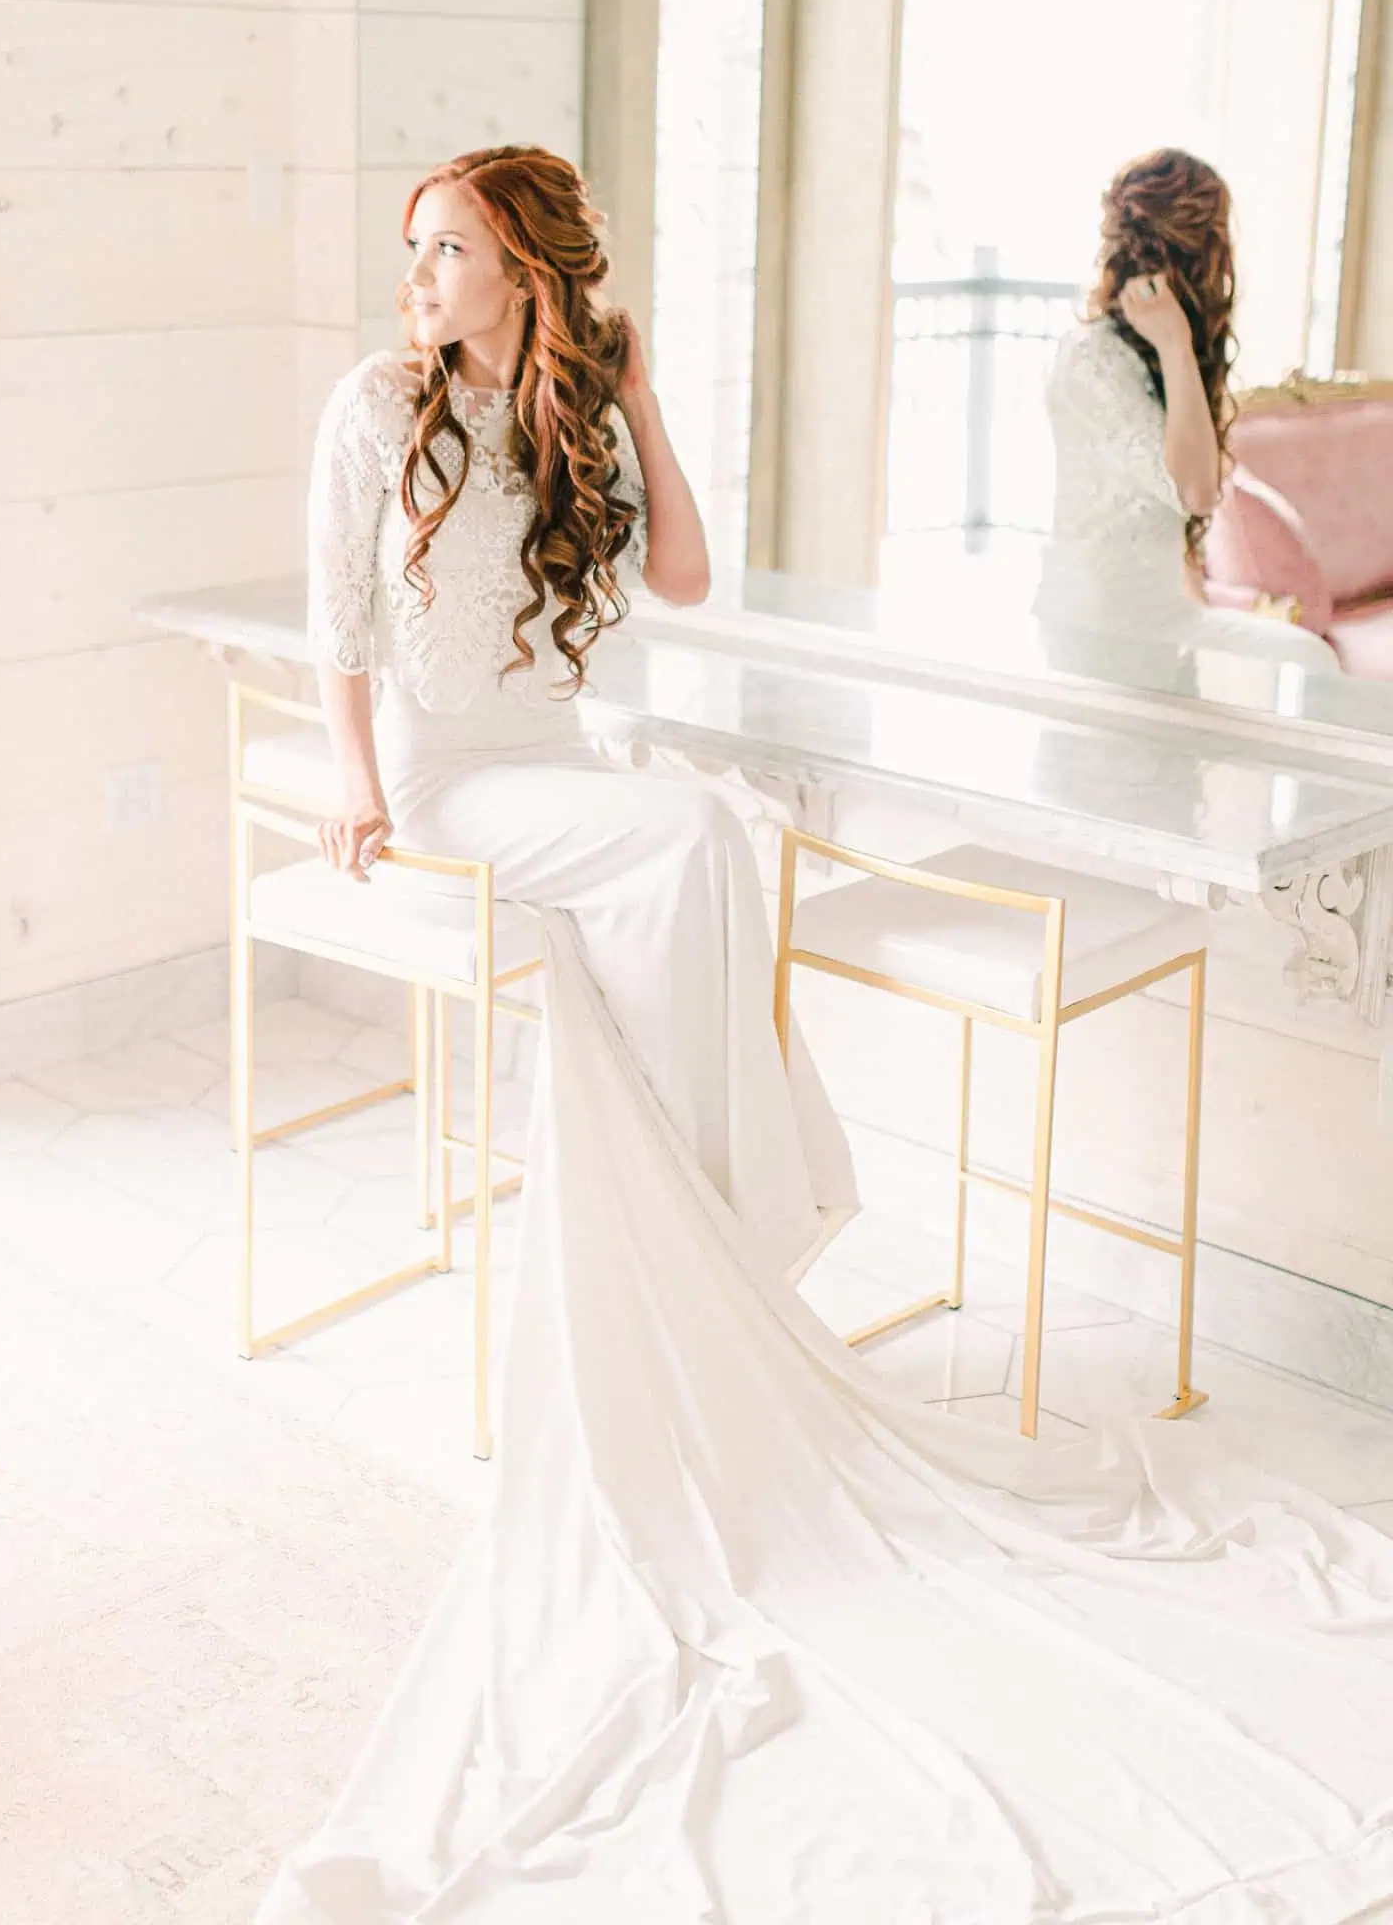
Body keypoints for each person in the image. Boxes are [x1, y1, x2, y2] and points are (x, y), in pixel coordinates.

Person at [260, 145, 1393, 1924]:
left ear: (525, 272)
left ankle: (721, 1198)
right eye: (412, 245)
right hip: (445, 781)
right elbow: (337, 609)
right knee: (700, 834)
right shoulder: (371, 406)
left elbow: (691, 576)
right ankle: (751, 1194)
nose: (415, 273)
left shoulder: (567, 409)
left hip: (557, 764)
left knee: (716, 834)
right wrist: (348, 778)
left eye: (449, 249)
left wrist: (638, 397)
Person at [1036, 148, 1341, 673]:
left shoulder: (1154, 354)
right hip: (1093, 631)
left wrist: (1175, 348)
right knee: (1308, 660)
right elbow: (1196, 491)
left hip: (1162, 618)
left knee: (1309, 659)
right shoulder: (1092, 356)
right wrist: (1176, 343)